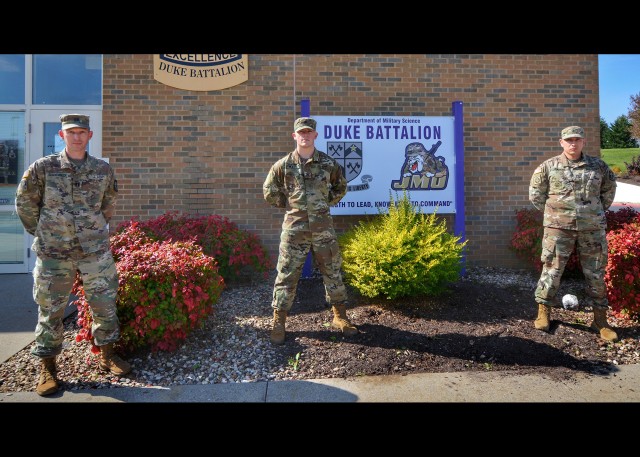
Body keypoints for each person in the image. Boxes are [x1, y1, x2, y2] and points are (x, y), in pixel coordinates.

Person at [15, 113, 131, 397]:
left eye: (81, 132)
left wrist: (90, 230)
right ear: (61, 135)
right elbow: (25, 203)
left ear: (90, 135)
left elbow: (108, 205)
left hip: (94, 251)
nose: (76, 136)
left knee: (104, 304)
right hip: (55, 254)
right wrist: (45, 233)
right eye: (71, 132)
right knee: (50, 311)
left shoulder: (103, 170)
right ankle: (48, 368)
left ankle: (107, 355)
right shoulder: (43, 168)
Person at [263, 117, 358, 345]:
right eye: (301, 133)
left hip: (323, 228)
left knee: (332, 272)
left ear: (315, 135)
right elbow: (269, 191)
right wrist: (289, 206)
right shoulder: (283, 165)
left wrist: (323, 204)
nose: (305, 136)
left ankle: (340, 317)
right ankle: (279, 321)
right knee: (286, 275)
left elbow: (341, 186)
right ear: (294, 136)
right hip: (295, 230)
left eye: (309, 132)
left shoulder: (328, 164)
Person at [529, 125, 618, 342]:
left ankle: (600, 320)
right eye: (568, 140)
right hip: (558, 229)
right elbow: (536, 195)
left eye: (577, 139)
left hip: (592, 228)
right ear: (561, 142)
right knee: (552, 269)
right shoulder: (548, 167)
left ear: (583, 142)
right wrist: (556, 214)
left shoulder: (598, 166)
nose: (573, 143)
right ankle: (543, 313)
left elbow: (609, 189)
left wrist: (593, 211)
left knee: (596, 273)